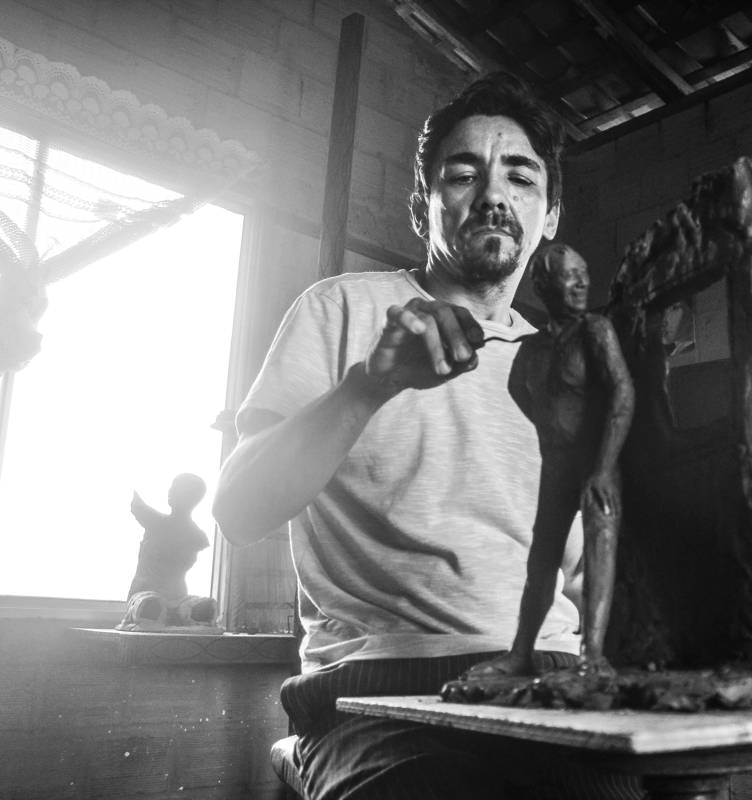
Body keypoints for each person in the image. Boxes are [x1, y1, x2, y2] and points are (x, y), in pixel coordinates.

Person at [213, 73, 642, 800]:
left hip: (551, 684)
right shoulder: (342, 308)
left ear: (549, 215)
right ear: (423, 206)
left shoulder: (570, 367)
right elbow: (239, 509)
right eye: (463, 174)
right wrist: (368, 386)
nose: (494, 195)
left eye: (520, 177)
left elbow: (584, 572)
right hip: (378, 686)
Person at [464, 243, 633, 685]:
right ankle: (521, 654)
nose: (581, 283)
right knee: (541, 561)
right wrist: (552, 431)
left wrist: (602, 465)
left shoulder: (595, 330)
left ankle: (593, 657)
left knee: (598, 554)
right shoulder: (532, 348)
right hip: (556, 470)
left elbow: (621, 393)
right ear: (543, 286)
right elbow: (520, 390)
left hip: (597, 466)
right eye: (569, 275)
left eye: (583, 273)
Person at [120, 473, 216, 629]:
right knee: (149, 607)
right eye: (172, 488)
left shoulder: (196, 536)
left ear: (192, 498)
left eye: (177, 489)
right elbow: (135, 502)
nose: (170, 492)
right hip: (144, 593)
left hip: (177, 596)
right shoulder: (155, 521)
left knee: (199, 608)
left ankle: (182, 614)